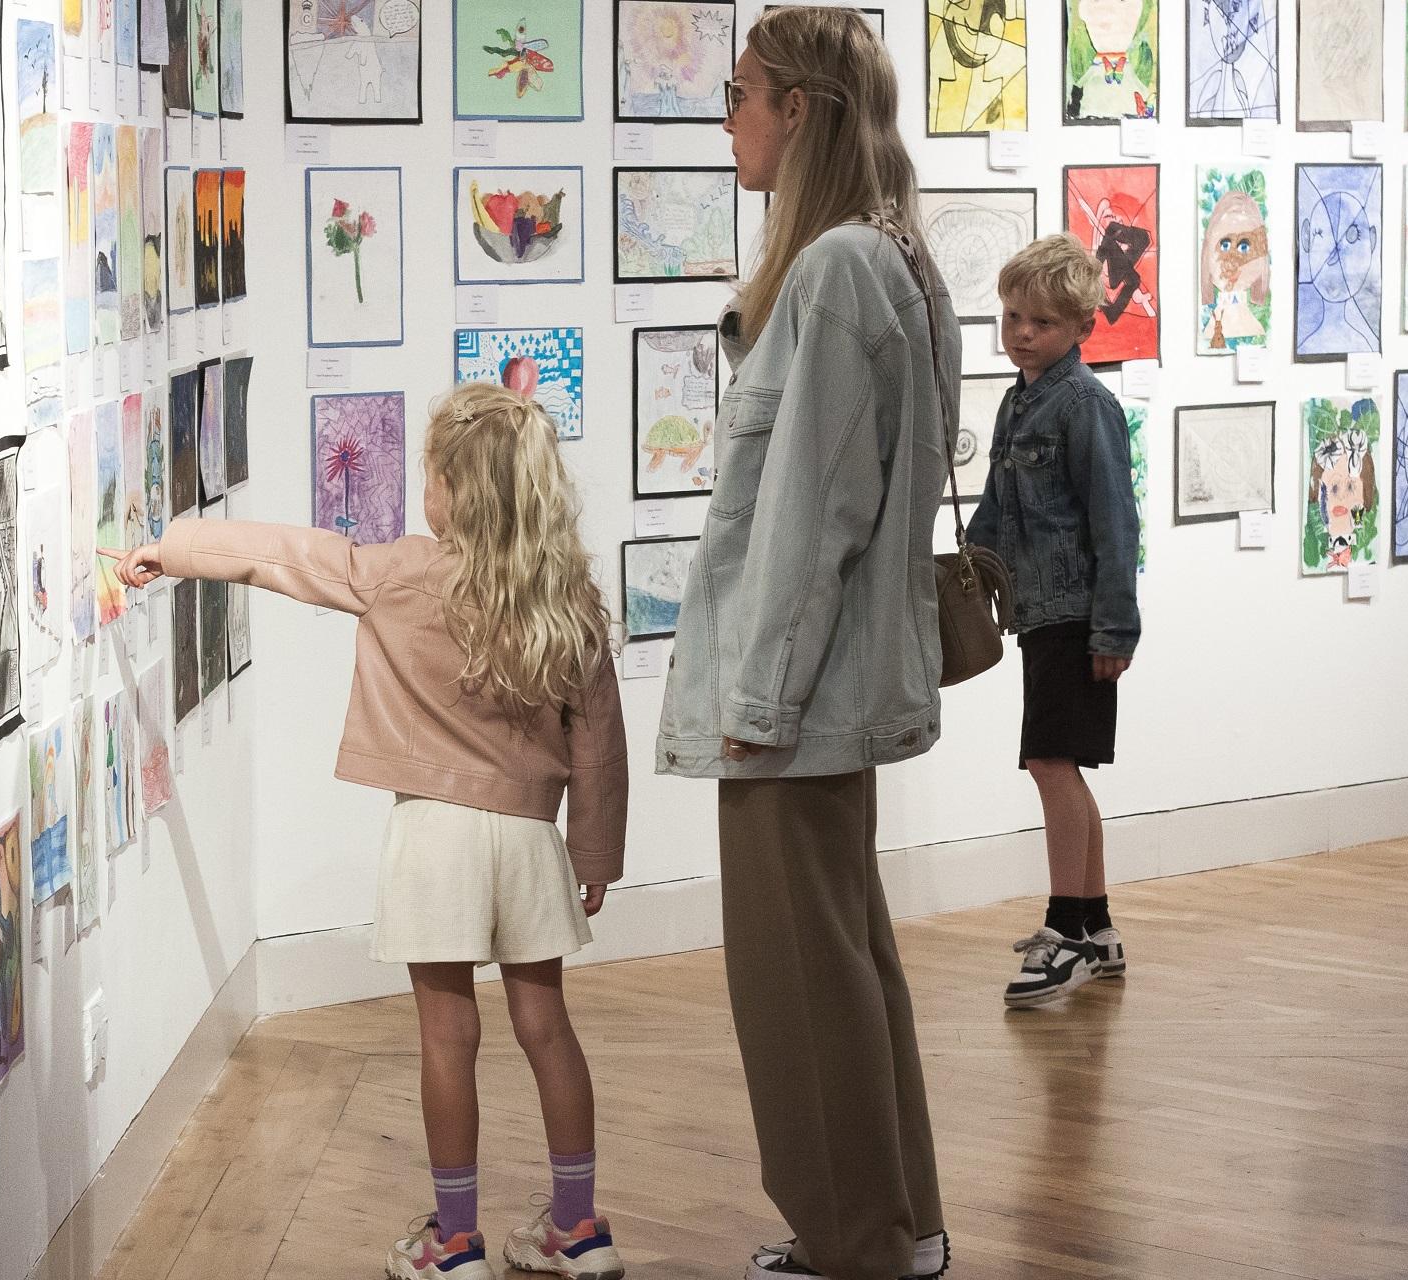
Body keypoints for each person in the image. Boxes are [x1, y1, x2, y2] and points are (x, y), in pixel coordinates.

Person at [107, 383, 630, 1280]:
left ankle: (454, 1241)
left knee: (446, 1035)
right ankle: (577, 1229)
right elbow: (601, 743)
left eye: (429, 472)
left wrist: (174, 548)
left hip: (434, 841)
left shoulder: (403, 573)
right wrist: (595, 855)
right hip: (528, 844)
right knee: (547, 1026)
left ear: (454, 489)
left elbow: (285, 558)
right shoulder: (566, 595)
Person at [654, 8, 957, 1279]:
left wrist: (758, 699)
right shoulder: (898, 258)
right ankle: (896, 1224)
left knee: (799, 982)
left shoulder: (838, 269)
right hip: (834, 689)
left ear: (806, 111)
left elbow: (811, 519)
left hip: (796, 696)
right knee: (847, 960)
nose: (730, 115)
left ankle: (861, 1244)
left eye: (744, 93)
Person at [966, 234, 1142, 1008]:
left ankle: (1064, 930)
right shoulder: (1018, 402)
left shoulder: (1086, 407)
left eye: (1038, 321)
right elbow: (999, 510)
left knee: (1050, 765)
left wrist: (1114, 630)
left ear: (1080, 327)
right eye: (1011, 317)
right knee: (1059, 763)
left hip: (1076, 618)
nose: (1021, 333)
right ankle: (1098, 926)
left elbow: (1116, 525)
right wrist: (967, 563)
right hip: (1037, 615)